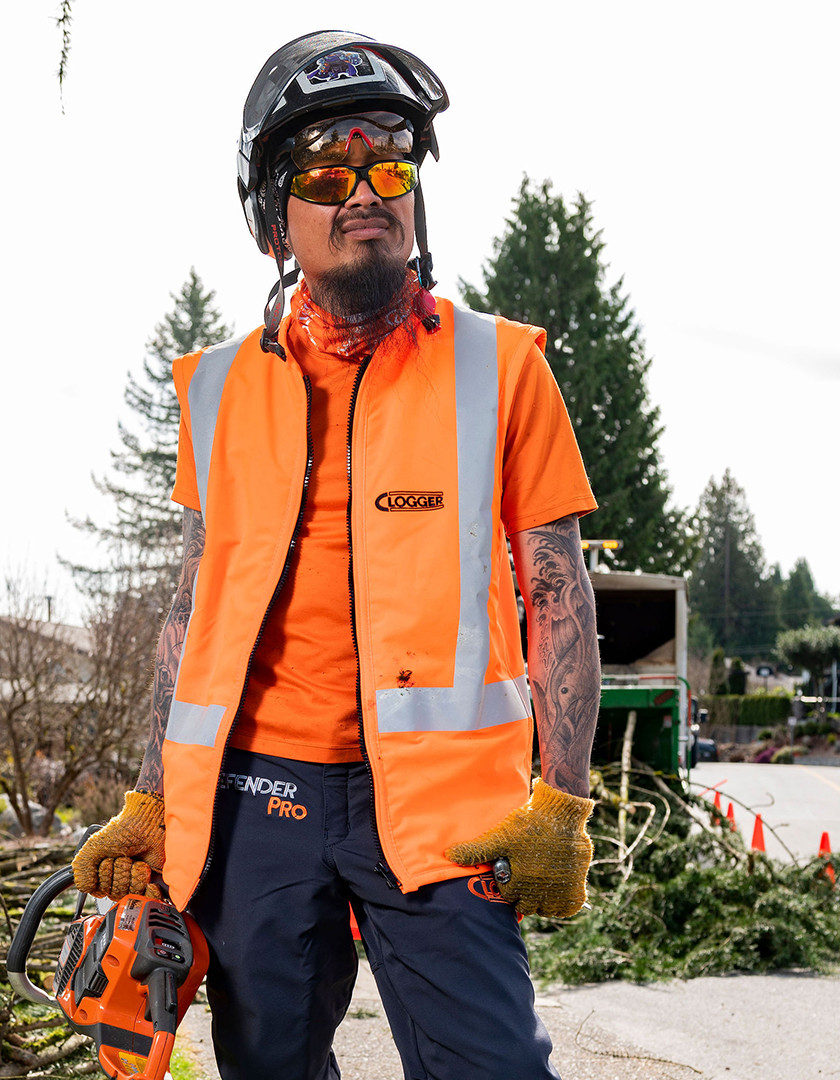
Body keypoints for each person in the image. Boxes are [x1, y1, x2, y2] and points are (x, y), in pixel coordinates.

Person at [74, 31, 601, 1080]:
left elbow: (558, 594)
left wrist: (564, 802)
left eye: (389, 168)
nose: (365, 192)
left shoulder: (503, 368)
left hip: (446, 809)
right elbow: (191, 606)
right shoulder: (218, 392)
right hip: (257, 805)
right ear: (275, 224)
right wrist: (149, 801)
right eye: (325, 174)